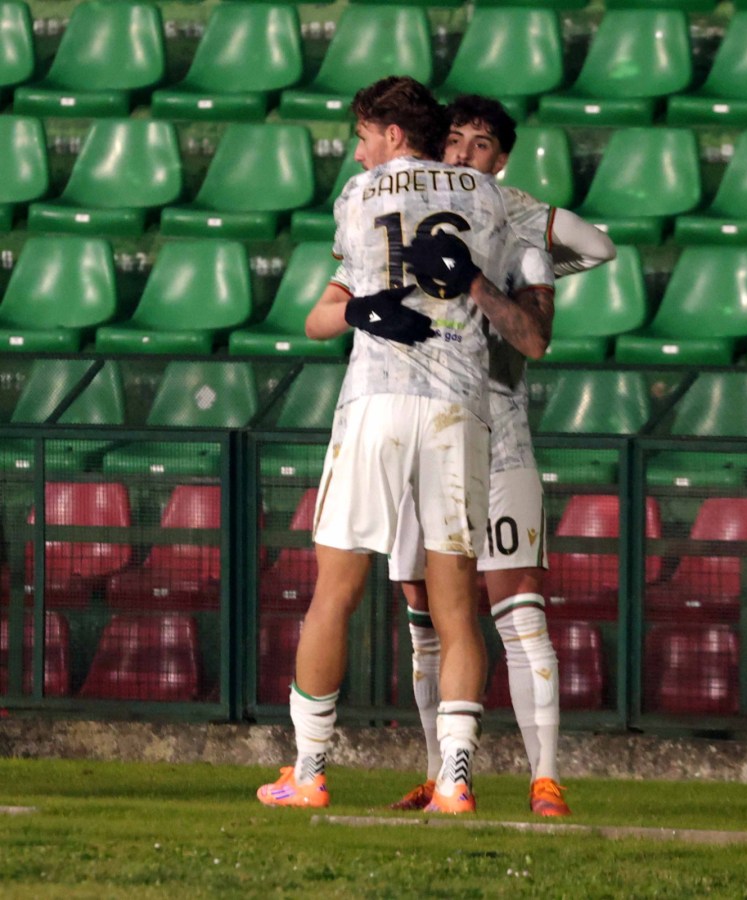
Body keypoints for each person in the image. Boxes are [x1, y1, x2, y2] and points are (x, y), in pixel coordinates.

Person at [255, 77, 556, 814]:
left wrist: (364, 307)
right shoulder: (490, 199)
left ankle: (308, 769)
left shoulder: (358, 197)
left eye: (362, 134)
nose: (356, 149)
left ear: (391, 133)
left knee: (336, 591)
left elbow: (338, 301)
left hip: (376, 400)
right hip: (459, 407)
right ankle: (455, 777)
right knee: (457, 605)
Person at [387, 95, 616, 817]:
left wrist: (505, 242)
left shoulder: (515, 231)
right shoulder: (403, 219)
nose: (461, 154)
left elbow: (543, 328)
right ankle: (440, 773)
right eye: (452, 140)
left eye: (480, 146)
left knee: (517, 612)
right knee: (423, 619)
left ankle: (544, 777)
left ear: (501, 161)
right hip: (419, 435)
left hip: (498, 434)